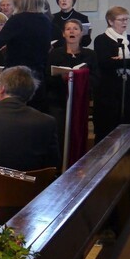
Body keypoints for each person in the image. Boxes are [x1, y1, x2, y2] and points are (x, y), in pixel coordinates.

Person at [47, 19, 99, 161]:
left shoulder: (90, 54)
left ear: (81, 33)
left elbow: (95, 78)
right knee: (59, 133)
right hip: (58, 100)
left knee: (78, 133)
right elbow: (47, 77)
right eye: (68, 29)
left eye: (75, 28)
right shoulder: (55, 54)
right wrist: (62, 78)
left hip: (80, 101)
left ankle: (78, 162)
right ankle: (58, 165)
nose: (72, 31)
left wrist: (79, 77)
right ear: (63, 34)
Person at [92, 6, 130, 143]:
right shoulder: (101, 40)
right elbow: (105, 62)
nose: (125, 22)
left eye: (127, 19)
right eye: (121, 19)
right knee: (107, 130)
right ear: (111, 22)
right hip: (109, 92)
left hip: (129, 91)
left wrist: (121, 60)